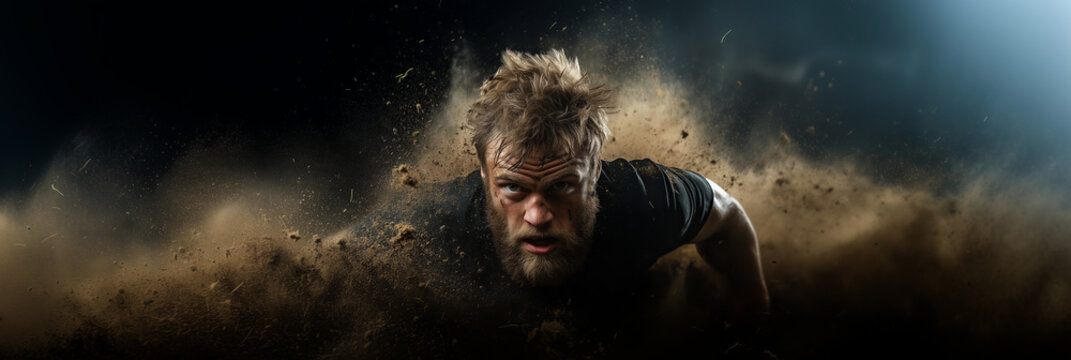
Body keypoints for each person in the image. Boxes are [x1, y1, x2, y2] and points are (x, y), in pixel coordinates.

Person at [345, 49, 770, 358]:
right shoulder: (429, 228)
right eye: (512, 188)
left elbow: (727, 214)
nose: (537, 215)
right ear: (483, 176)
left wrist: (750, 300)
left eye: (561, 186)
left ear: (595, 174)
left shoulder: (648, 200)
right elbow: (334, 262)